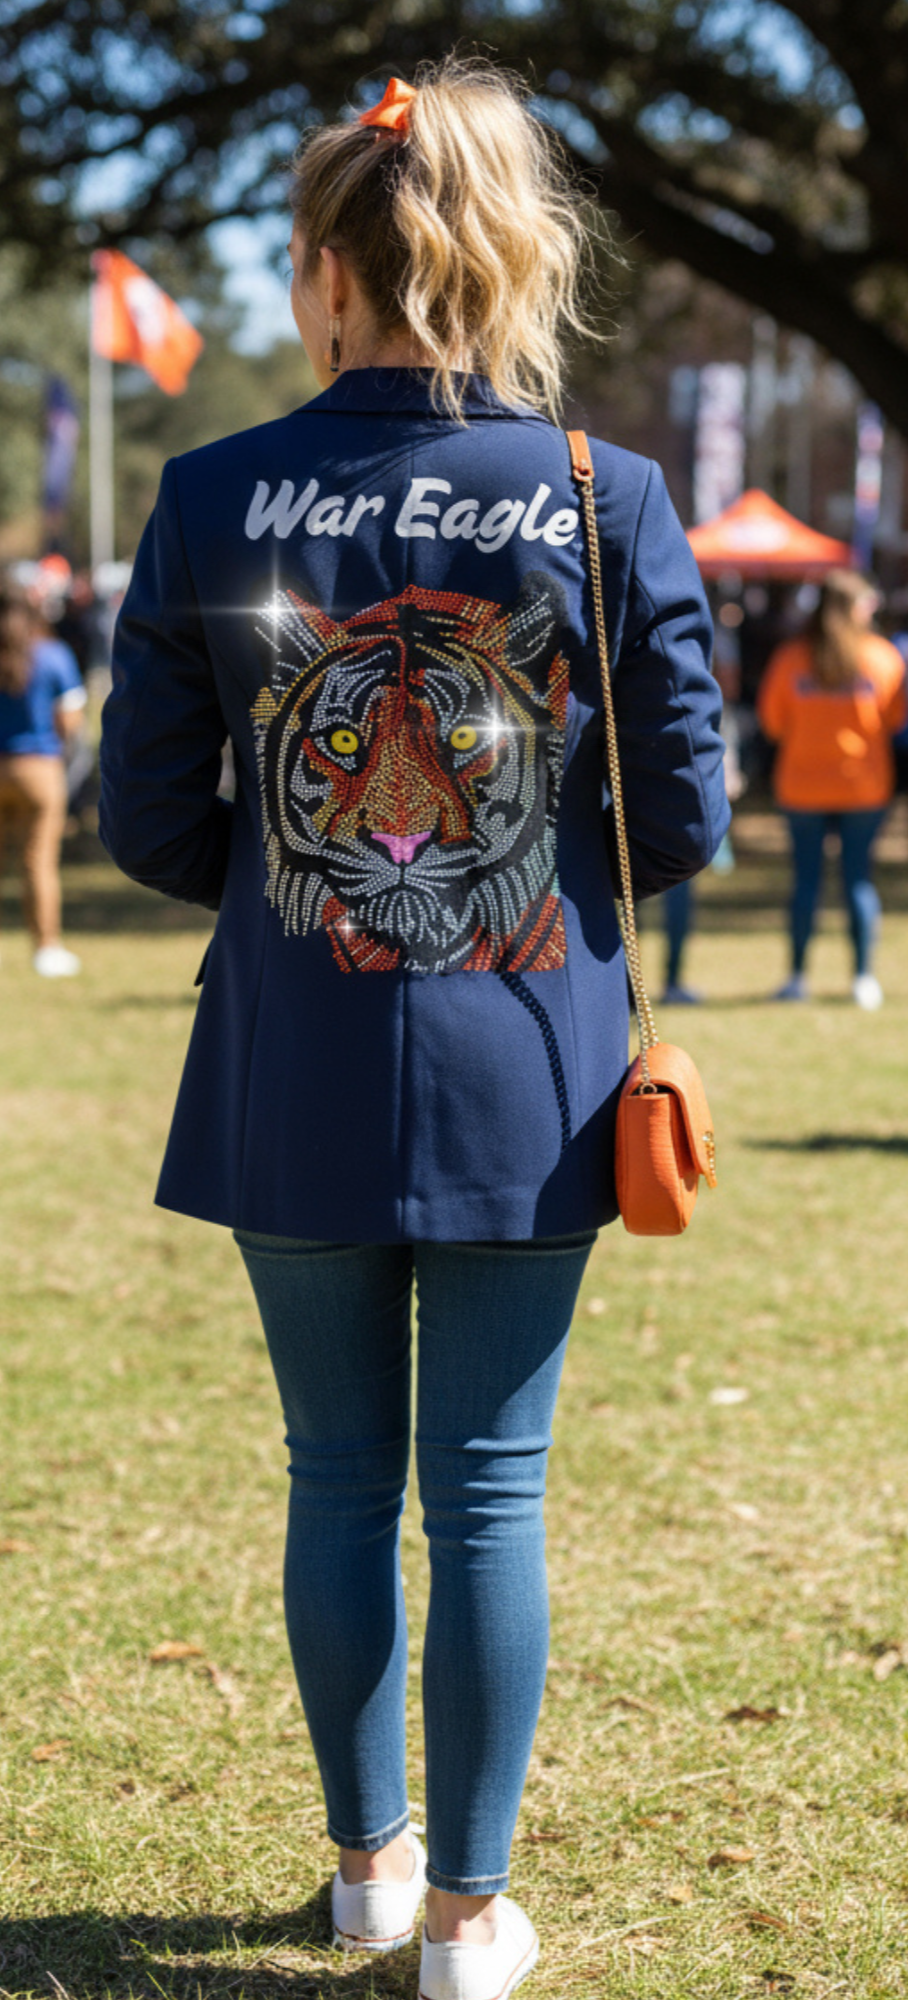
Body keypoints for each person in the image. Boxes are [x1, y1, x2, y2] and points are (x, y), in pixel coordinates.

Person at [99, 60, 729, 2000]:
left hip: (292, 1050)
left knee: (331, 1474)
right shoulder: (598, 489)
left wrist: (306, 904)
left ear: (319, 273)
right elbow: (688, 807)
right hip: (529, 1061)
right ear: (506, 252)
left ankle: (366, 1872)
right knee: (488, 1485)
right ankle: (466, 1918)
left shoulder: (208, 491)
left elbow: (145, 813)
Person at [758, 568, 907, 1009]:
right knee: (857, 881)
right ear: (854, 608)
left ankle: (797, 977)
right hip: (863, 786)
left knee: (806, 882)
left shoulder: (790, 659)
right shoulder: (881, 657)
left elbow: (771, 722)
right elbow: (896, 721)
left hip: (802, 786)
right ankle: (862, 977)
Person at [0, 582, 85, 976]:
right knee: (38, 862)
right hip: (38, 769)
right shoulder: (52, 655)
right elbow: (70, 721)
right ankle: (46, 948)